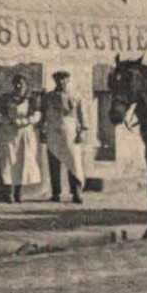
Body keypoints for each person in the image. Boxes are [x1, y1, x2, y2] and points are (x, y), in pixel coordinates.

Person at [0, 74, 43, 203]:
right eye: (16, 83)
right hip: (9, 133)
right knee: (8, 161)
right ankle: (8, 192)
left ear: (26, 85)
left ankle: (18, 193)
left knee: (23, 161)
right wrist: (8, 121)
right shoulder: (5, 99)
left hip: (25, 133)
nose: (19, 86)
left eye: (21, 83)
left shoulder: (32, 99)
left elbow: (37, 115)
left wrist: (27, 121)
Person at [41, 71, 87, 204]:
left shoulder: (75, 96)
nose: (61, 82)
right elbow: (43, 115)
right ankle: (56, 193)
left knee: (74, 162)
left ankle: (76, 192)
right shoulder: (48, 97)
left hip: (70, 132)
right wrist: (43, 132)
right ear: (54, 81)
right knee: (54, 162)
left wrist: (82, 132)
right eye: (58, 80)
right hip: (53, 132)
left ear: (68, 80)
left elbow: (82, 115)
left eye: (63, 79)